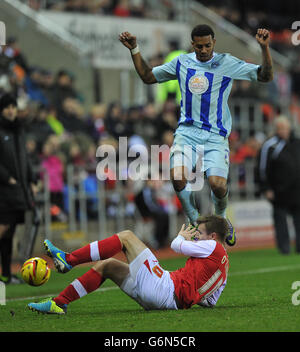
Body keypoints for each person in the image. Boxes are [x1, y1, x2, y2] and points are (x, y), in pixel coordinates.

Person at [119, 24, 274, 247]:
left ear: (214, 43)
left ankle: (221, 219)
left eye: (207, 45)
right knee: (178, 176)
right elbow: (148, 76)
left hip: (215, 136)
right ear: (193, 44)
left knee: (217, 185)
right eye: (199, 46)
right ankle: (195, 223)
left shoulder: (226, 62)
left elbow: (265, 76)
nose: (203, 50)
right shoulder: (182, 62)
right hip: (186, 133)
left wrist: (265, 48)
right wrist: (134, 49)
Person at [28, 214, 229, 314]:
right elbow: (210, 302)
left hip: (165, 289)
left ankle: (69, 260)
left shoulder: (212, 245)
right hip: (167, 301)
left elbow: (176, 245)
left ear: (213, 236)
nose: (196, 237)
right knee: (108, 266)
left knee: (126, 236)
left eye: (200, 234)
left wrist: (181, 236)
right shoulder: (224, 268)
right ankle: (58, 303)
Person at [0, 93, 36, 284]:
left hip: (18, 190)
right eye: (7, 107)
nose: (10, 110)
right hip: (4, 190)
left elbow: (25, 158)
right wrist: (7, 178)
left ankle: (5, 275)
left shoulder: (18, 131)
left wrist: (32, 179)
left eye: (13, 106)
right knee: (3, 228)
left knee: (10, 233)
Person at [256, 116, 300, 254]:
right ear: (276, 129)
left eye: (285, 127)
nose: (284, 131)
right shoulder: (270, 145)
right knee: (280, 221)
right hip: (279, 190)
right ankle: (284, 248)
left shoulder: (297, 142)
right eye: (280, 128)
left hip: (297, 190)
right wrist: (266, 188)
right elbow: (262, 168)